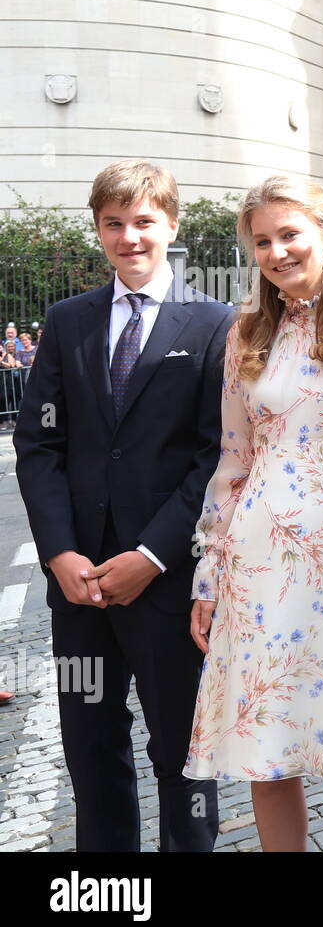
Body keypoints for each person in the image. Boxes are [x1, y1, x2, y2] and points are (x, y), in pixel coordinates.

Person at [13, 159, 232, 851]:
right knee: (89, 741)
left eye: (143, 222)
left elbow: (216, 457)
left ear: (171, 224)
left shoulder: (215, 324)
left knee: (182, 751)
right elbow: (40, 444)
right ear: (98, 231)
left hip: (164, 584)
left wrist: (150, 554)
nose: (129, 236)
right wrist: (58, 552)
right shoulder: (68, 320)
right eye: (114, 224)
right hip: (78, 591)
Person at [184, 175, 323, 852]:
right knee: (264, 743)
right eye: (263, 242)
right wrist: (209, 571)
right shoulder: (245, 335)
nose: (277, 252)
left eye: (289, 234)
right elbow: (232, 461)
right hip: (257, 562)